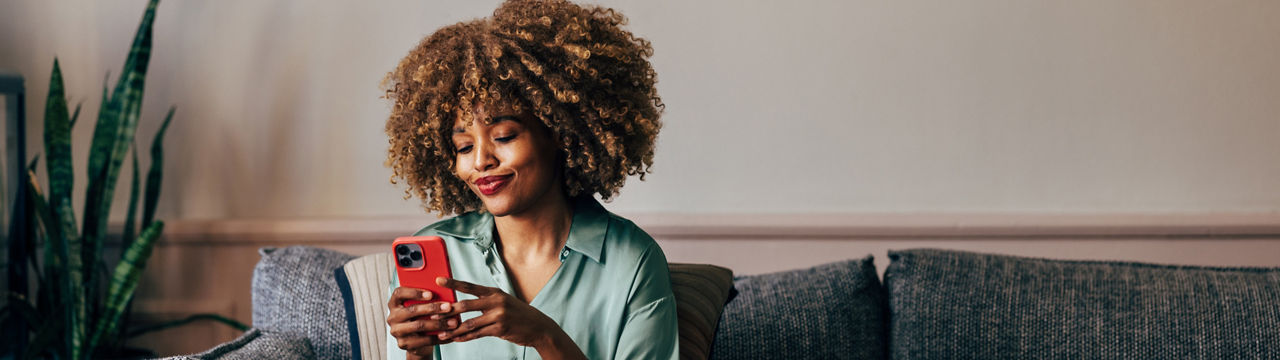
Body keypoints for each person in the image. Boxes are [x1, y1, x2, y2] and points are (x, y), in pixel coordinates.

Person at [380, 0, 676, 359]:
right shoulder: (435, 252)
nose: (480, 161)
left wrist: (544, 336)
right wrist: (417, 355)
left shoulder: (631, 261)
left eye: (504, 136)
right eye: (462, 146)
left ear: (561, 134)